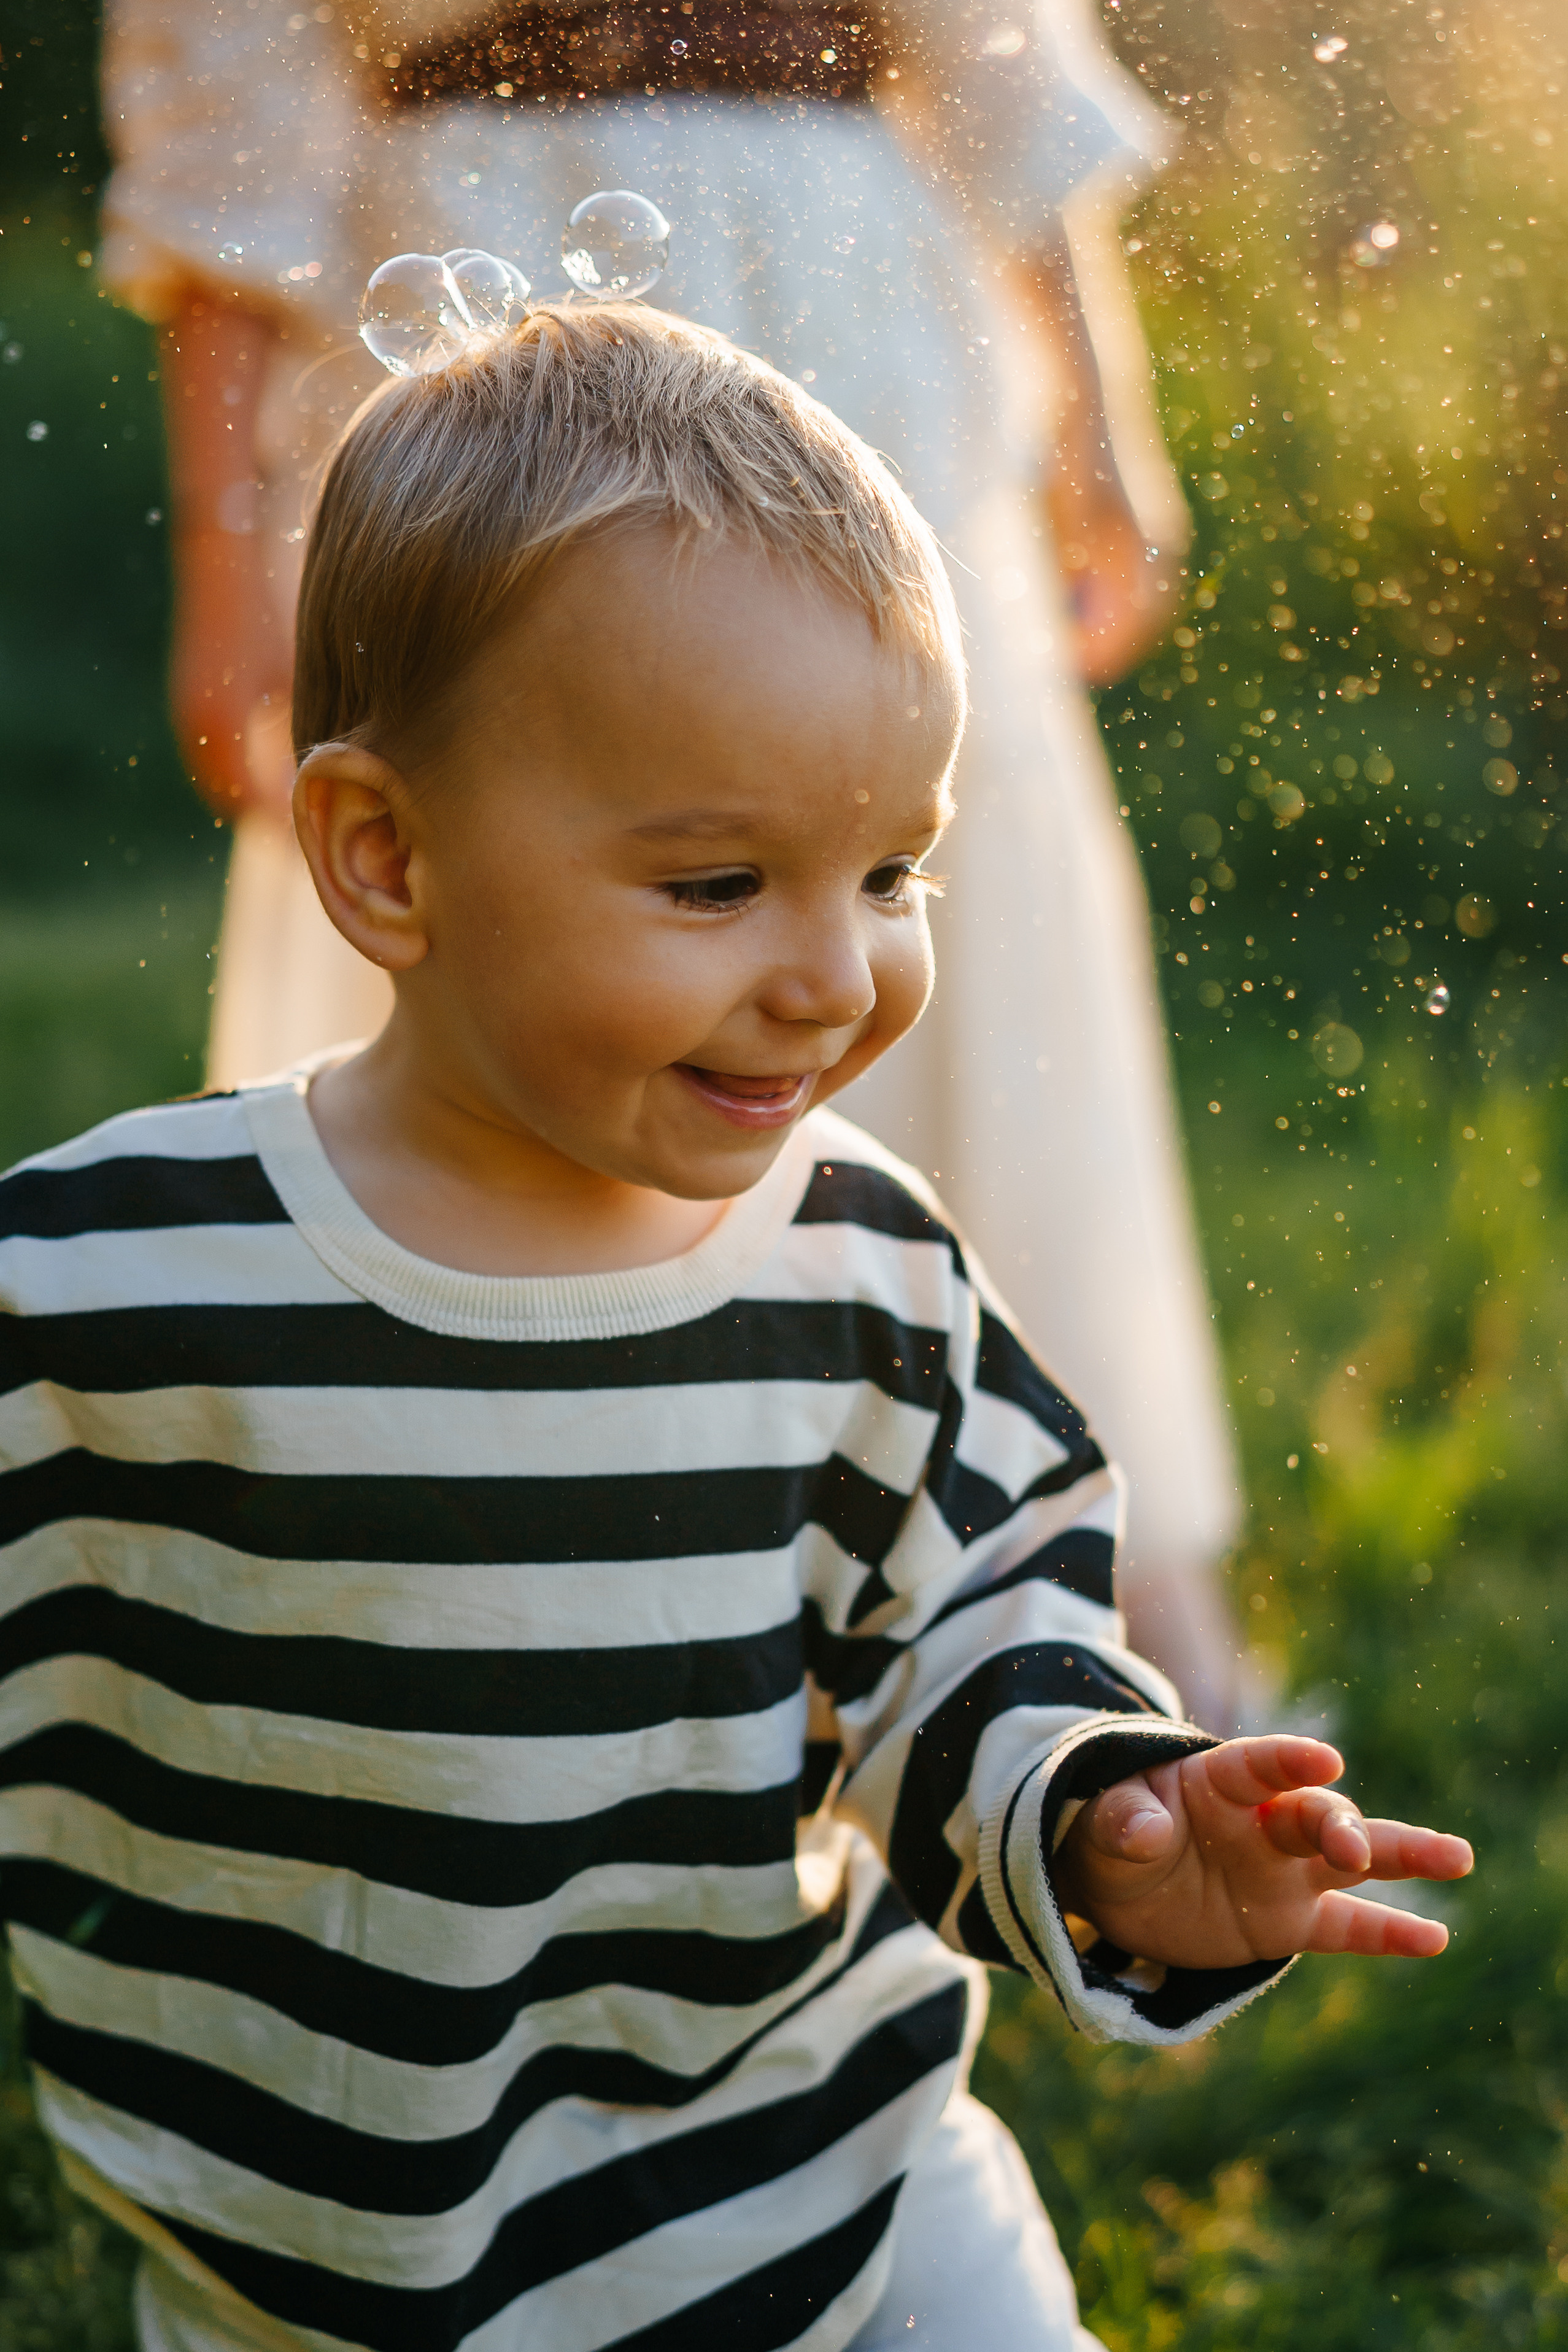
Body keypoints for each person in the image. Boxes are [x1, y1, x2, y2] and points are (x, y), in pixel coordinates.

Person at [0, 303, 1471, 2352]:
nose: (834, 975)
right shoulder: (115, 1281)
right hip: (333, 2265)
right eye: (717, 884)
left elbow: (977, 1631)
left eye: (890, 870)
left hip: (836, 2186)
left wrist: (1104, 1817)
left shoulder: (861, 1280)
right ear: (385, 856)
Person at [101, 0, 1243, 1725]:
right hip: (480, 306)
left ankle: (1052, 1581)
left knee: (918, 896)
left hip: (852, 306)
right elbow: (233, 107)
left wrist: (1099, 417)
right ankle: (469, 1565)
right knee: (517, 876)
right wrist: (225, 550)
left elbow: (988, 47)